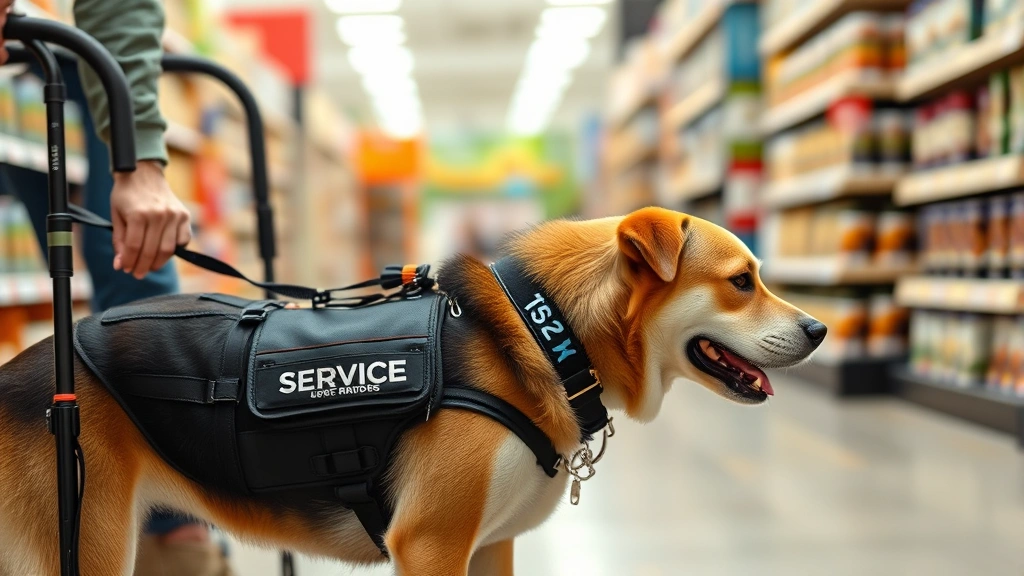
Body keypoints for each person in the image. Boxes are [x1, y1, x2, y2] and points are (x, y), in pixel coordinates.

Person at [0, 1, 232, 574]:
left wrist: (139, 162)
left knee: (136, 286)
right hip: (22, 83)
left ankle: (171, 524)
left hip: (64, 63)